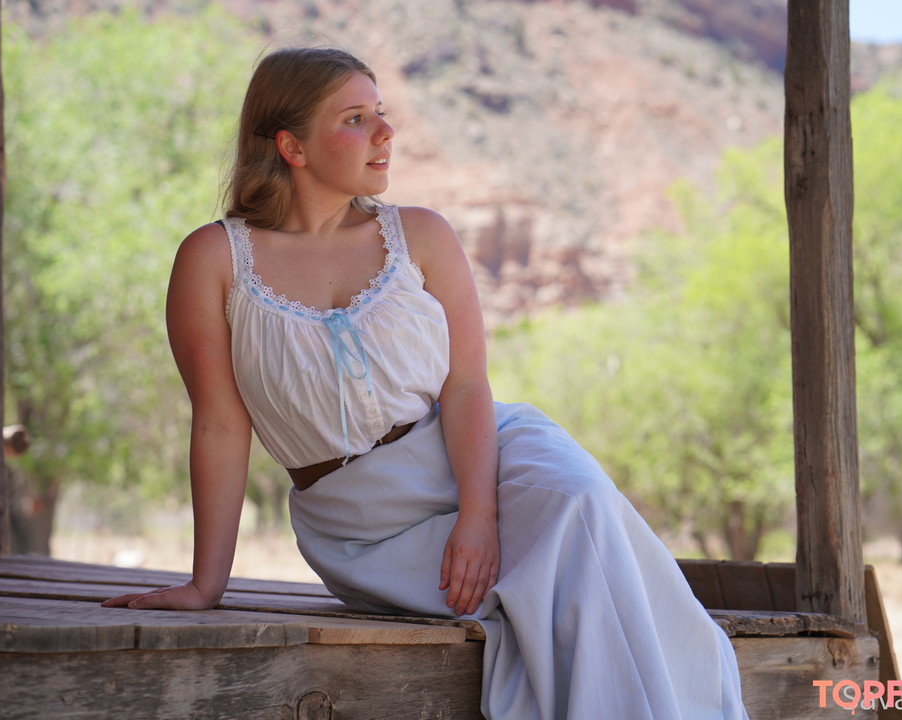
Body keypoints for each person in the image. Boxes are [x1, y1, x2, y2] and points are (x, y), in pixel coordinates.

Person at [104, 46, 749, 720]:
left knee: (579, 508)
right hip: (360, 522)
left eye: (381, 113)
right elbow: (219, 422)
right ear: (292, 146)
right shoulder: (215, 259)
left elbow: (466, 385)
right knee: (570, 572)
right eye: (356, 119)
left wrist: (477, 516)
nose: (386, 133)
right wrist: (207, 584)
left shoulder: (420, 235)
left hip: (480, 458)